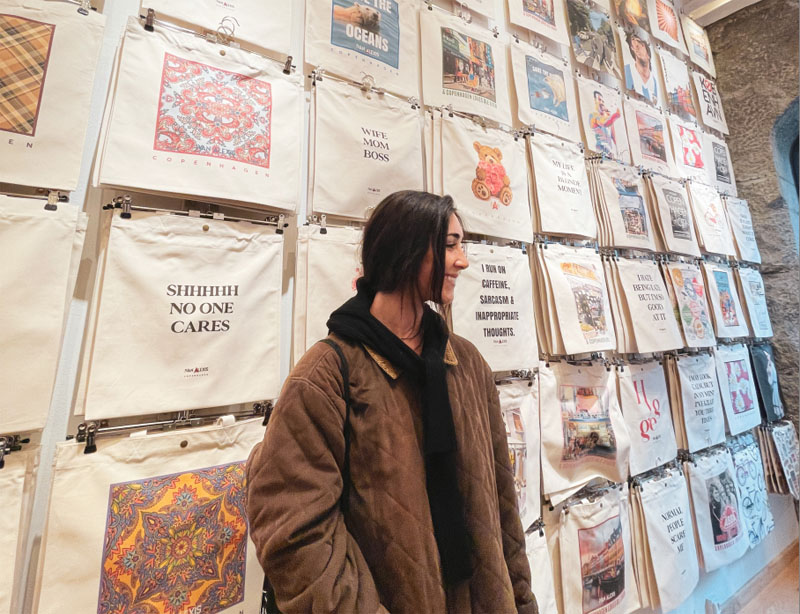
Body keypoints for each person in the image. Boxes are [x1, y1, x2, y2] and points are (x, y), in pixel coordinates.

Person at [246, 191, 538, 614]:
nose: (463, 261)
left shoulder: (467, 362)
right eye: (450, 245)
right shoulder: (326, 376)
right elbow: (295, 535)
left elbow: (503, 506)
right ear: (406, 250)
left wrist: (522, 602)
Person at [624, 31, 658, 104]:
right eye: (635, 47)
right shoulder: (627, 71)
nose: (637, 49)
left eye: (640, 44)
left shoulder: (653, 82)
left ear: (648, 55)